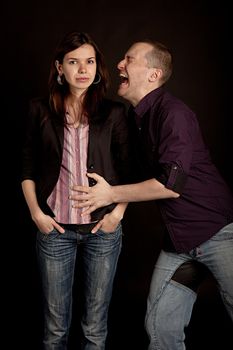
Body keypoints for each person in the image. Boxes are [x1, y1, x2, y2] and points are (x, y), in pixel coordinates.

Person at [70, 40, 233, 349]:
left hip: (219, 233)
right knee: (160, 328)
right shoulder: (137, 117)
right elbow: (136, 175)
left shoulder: (175, 114)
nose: (119, 64)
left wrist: (109, 196)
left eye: (128, 59)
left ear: (153, 74)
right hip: (180, 242)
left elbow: (170, 185)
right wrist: (116, 211)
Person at [21, 31, 130, 350]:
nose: (83, 69)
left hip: (102, 230)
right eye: (73, 62)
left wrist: (118, 214)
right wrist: (36, 214)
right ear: (59, 68)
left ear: (97, 68)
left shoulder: (114, 113)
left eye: (90, 61)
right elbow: (26, 168)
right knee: (55, 329)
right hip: (54, 230)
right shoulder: (39, 110)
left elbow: (127, 171)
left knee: (95, 328)